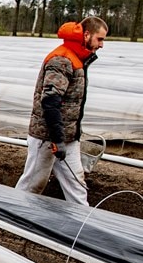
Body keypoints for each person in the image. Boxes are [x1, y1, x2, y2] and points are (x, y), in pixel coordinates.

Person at [15, 16, 108, 206]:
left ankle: (82, 224)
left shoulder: (78, 59)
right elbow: (50, 101)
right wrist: (57, 139)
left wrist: (67, 138)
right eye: (100, 39)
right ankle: (11, 216)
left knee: (77, 185)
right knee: (32, 185)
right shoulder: (62, 59)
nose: (102, 45)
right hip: (47, 137)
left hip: (68, 137)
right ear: (87, 35)